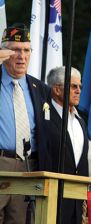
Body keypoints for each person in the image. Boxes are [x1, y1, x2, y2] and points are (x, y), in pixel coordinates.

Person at [0, 23, 51, 224]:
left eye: (26, 50)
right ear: (4, 53)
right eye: (15, 50)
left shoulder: (40, 89)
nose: (22, 56)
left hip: (28, 165)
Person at [46, 66, 89, 224]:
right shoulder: (44, 117)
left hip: (76, 201)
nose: (78, 91)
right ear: (57, 90)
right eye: (73, 86)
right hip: (52, 198)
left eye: (80, 87)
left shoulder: (81, 121)